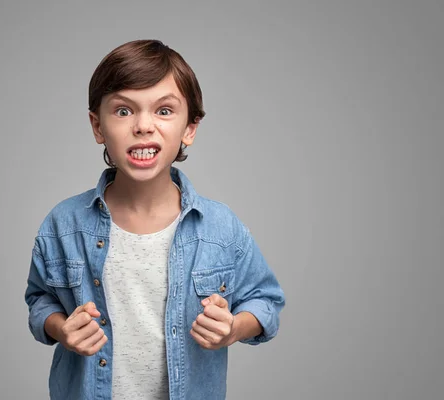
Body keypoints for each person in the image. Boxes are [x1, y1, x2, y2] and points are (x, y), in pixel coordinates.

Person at [25, 39, 286, 400]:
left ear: (189, 129)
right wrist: (61, 329)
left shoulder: (220, 228)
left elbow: (265, 300)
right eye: (123, 111)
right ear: (97, 126)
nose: (144, 125)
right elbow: (41, 300)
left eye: (164, 111)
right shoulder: (63, 224)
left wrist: (233, 329)